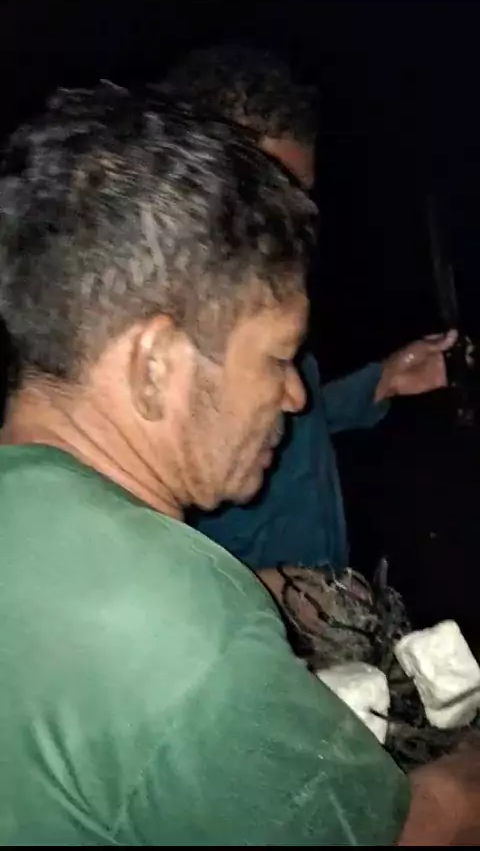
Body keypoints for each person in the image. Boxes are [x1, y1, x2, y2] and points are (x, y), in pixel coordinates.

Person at [1, 81, 479, 848]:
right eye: (279, 359)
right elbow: (398, 836)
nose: (296, 395)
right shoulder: (180, 625)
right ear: (154, 364)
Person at [160, 45, 457, 595]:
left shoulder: (262, 310)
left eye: (302, 201)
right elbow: (148, 569)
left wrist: (382, 382)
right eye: (273, 198)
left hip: (316, 602)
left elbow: (295, 415)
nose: (296, 226)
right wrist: (268, 597)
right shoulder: (156, 324)